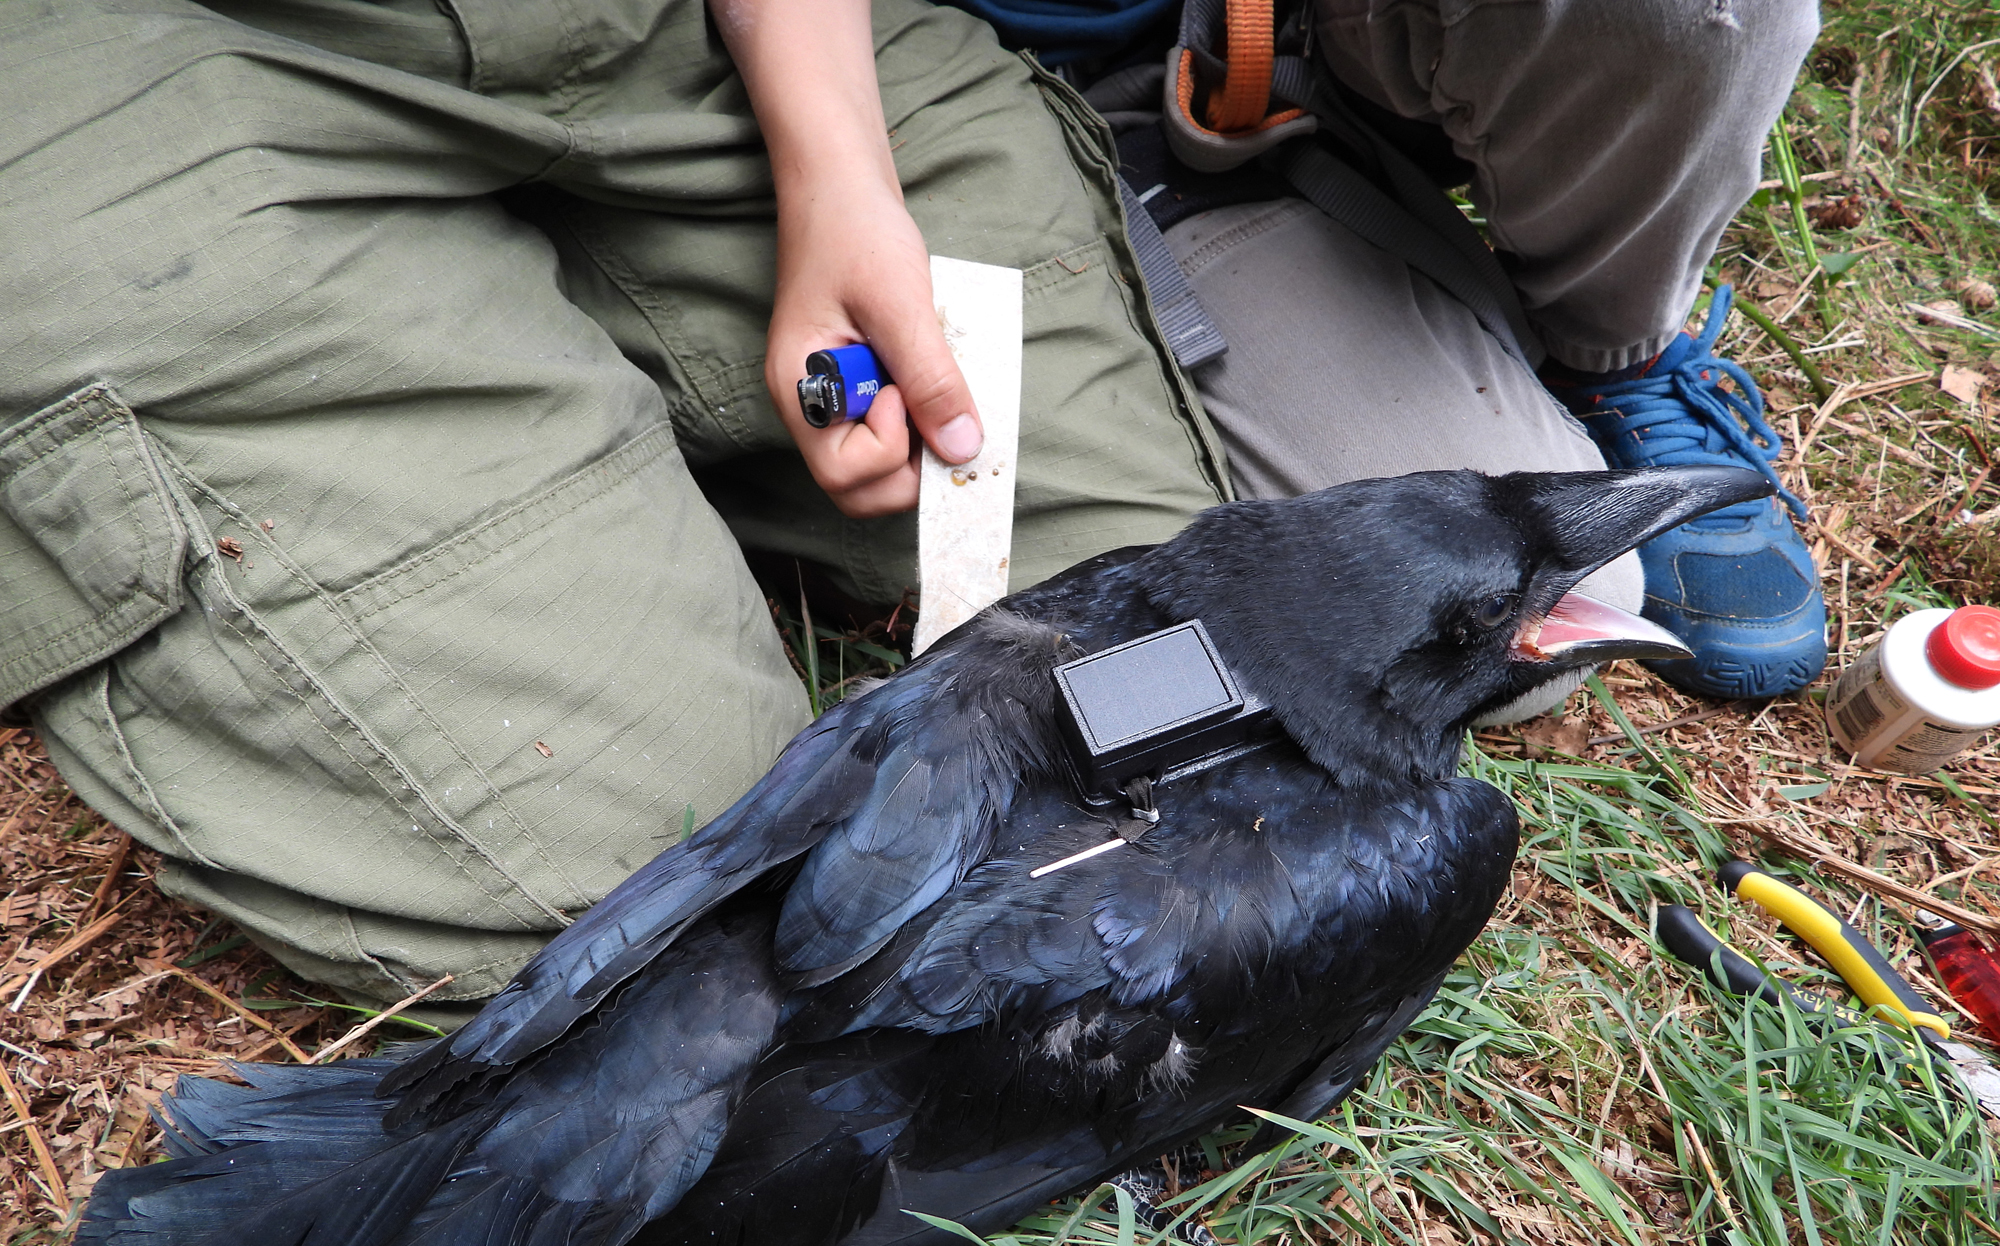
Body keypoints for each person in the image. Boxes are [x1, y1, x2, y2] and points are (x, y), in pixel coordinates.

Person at [0, 0, 1818, 1015]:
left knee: (1246, 685)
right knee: (652, 925)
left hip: (712, 39)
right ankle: (514, 394)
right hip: (185, 64)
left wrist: (834, 176)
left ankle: (1612, 325)